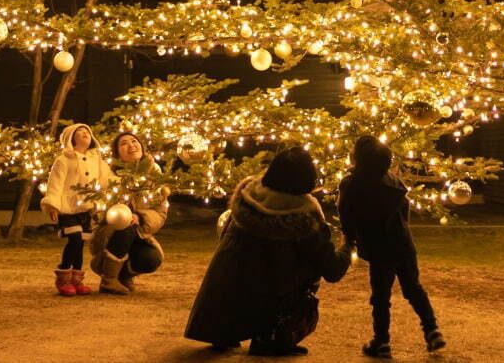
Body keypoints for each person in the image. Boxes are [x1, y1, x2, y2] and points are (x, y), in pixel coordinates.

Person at [184, 147, 352, 357]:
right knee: (304, 267)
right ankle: (273, 335)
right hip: (272, 291)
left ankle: (224, 331)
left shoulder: (249, 195)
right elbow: (332, 269)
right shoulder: (303, 213)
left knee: (242, 258)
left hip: (225, 292)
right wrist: (349, 244)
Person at [337, 136, 444, 357]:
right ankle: (432, 330)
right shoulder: (394, 182)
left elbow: (346, 213)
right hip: (403, 243)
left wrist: (349, 238)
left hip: (378, 248)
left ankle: (381, 341)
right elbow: (403, 212)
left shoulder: (350, 184)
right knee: (413, 287)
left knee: (380, 297)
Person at [89, 131, 169, 295]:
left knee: (151, 258)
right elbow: (96, 209)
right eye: (124, 143)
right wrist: (120, 214)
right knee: (124, 225)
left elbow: (160, 212)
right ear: (117, 153)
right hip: (110, 234)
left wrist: (139, 216)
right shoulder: (107, 175)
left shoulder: (154, 174)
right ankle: (108, 279)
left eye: (134, 141)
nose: (131, 145)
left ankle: (123, 277)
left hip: (138, 232)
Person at [41, 123, 112, 296]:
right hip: (67, 208)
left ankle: (77, 279)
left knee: (80, 243)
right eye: (80, 133)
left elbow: (107, 179)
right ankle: (64, 276)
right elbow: (55, 183)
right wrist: (53, 205)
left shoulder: (97, 160)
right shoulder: (64, 160)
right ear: (72, 138)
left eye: (87, 132)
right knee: (73, 238)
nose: (85, 135)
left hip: (86, 209)